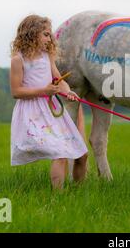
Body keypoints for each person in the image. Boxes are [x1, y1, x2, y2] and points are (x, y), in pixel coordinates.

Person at [9, 14, 88, 189]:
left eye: (50, 34)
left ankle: (78, 193)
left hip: (51, 109)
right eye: (46, 34)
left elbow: (59, 80)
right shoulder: (18, 60)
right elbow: (16, 91)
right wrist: (44, 91)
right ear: (32, 34)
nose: (50, 38)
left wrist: (68, 92)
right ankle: (57, 199)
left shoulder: (47, 57)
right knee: (60, 152)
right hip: (32, 113)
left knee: (81, 153)